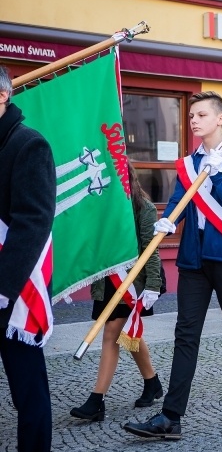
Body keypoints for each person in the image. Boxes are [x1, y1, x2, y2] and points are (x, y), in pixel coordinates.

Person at [123, 91, 222, 439]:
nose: (194, 121)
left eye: (201, 115)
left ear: (220, 119)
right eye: (191, 116)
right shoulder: (188, 163)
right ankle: (170, 418)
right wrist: (168, 222)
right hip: (193, 261)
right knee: (185, 335)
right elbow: (178, 202)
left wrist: (219, 177)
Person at [70, 162, 164, 422]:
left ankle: (96, 401)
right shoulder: (100, 209)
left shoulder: (143, 208)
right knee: (127, 333)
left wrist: (154, 285)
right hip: (107, 282)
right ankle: (152, 382)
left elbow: (150, 250)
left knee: (111, 334)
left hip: (133, 283)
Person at [0, 65, 55, 452]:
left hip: (12, 296)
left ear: (2, 97)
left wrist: (3, 289)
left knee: (28, 395)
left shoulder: (28, 144)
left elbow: (32, 223)